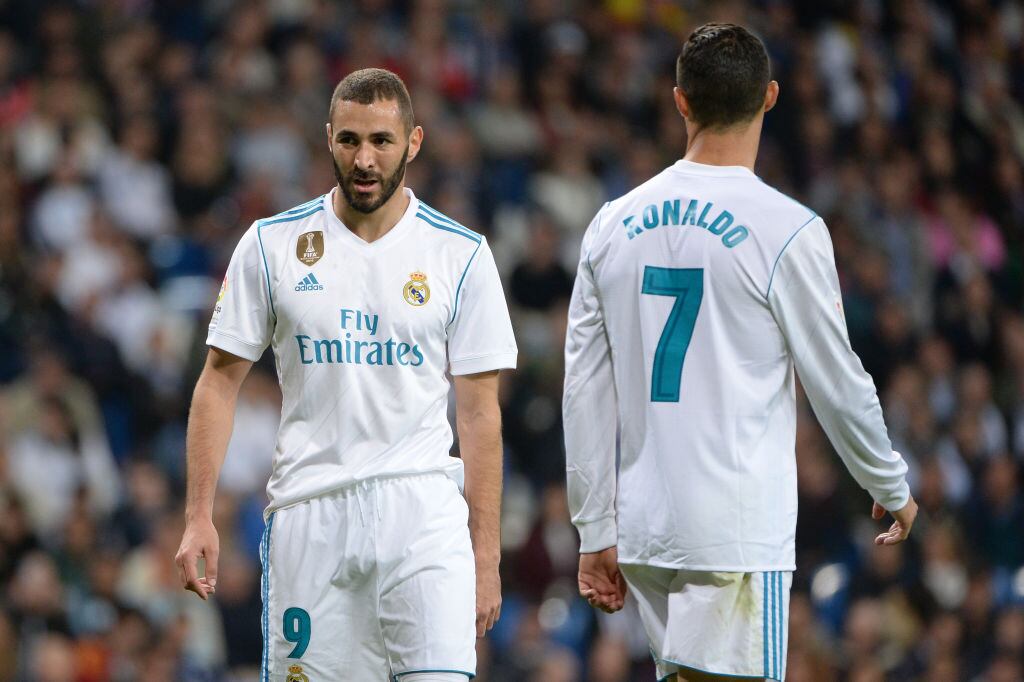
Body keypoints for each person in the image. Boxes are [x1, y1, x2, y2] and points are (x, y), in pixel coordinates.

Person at [562, 24, 917, 682]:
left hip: (645, 532)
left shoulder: (611, 225)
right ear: (772, 96)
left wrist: (594, 530)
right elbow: (836, 379)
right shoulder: (786, 228)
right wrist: (888, 481)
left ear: (680, 101)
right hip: (733, 532)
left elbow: (583, 394)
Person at [174, 68, 517, 681]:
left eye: (381, 142)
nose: (364, 159)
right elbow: (218, 382)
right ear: (328, 137)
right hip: (311, 512)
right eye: (349, 140)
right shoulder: (271, 244)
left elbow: (479, 412)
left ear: (413, 142)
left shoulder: (461, 254)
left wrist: (485, 553)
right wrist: (199, 512)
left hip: (423, 512)